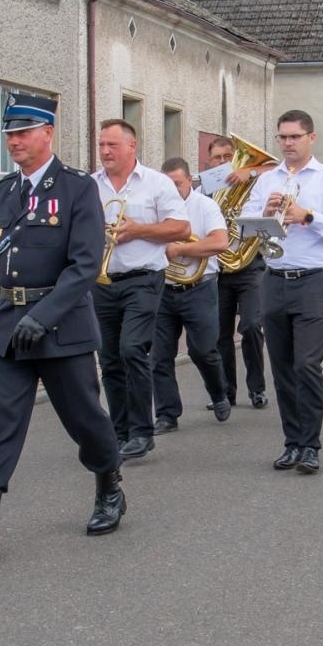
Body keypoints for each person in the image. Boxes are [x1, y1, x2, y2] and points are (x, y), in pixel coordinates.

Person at [0, 94, 124, 564]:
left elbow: (84, 265)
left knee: (85, 419)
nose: (14, 141)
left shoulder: (78, 189)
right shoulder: (4, 192)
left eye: (23, 132)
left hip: (60, 327)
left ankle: (109, 484)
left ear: (47, 133)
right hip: (8, 328)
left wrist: (43, 316)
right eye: (9, 134)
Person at [246, 109, 323, 474]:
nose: (288, 143)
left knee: (306, 364)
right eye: (283, 137)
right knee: (281, 366)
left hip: (313, 280)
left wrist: (306, 216)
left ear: (311, 138)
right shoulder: (267, 179)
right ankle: (292, 442)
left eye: (294, 137)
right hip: (274, 278)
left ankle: (310, 445)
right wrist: (265, 213)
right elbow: (246, 227)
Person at [92, 119, 190, 461]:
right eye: (101, 144)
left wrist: (138, 230)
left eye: (112, 145)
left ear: (132, 146)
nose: (105, 151)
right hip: (102, 281)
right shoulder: (91, 185)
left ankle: (142, 431)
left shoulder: (156, 183)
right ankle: (119, 433)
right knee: (109, 359)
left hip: (144, 279)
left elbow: (181, 227)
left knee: (132, 348)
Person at [151, 158, 232, 435]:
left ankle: (219, 393)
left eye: (177, 184)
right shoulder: (156, 207)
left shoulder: (205, 206)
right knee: (159, 356)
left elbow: (220, 242)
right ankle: (167, 415)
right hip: (164, 288)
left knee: (203, 350)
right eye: (168, 184)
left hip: (200, 287)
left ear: (189, 181)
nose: (172, 190)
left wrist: (179, 250)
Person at [207, 136, 271, 413]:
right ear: (210, 162)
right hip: (218, 269)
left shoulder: (253, 180)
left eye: (228, 157)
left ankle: (257, 389)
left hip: (249, 266)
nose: (223, 162)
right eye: (218, 158)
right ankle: (226, 392)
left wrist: (251, 171)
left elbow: (279, 168)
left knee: (251, 326)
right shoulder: (206, 189)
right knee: (219, 333)